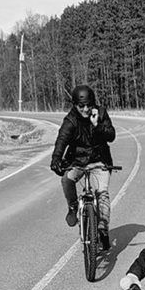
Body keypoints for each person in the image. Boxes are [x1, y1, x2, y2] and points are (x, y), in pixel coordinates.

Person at [50, 85, 116, 251]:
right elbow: (62, 140)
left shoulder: (100, 113)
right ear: (74, 105)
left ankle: (102, 228)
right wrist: (56, 158)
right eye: (81, 106)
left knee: (102, 193)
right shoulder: (70, 120)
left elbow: (111, 135)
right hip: (77, 161)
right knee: (66, 180)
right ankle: (73, 207)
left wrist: (97, 126)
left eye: (89, 105)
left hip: (100, 160)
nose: (86, 109)